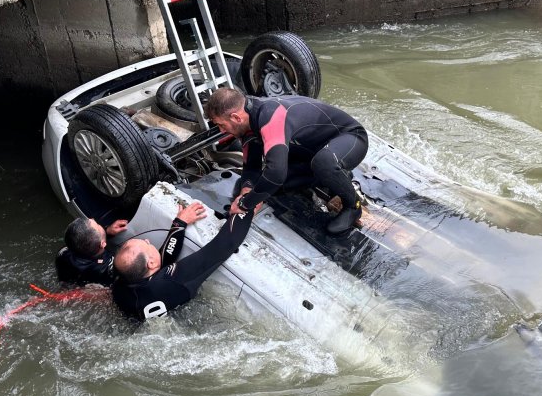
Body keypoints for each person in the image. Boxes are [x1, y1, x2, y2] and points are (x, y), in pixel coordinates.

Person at [204, 88, 368, 235]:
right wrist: (246, 191)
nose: (221, 131)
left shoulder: (269, 115)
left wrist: (246, 204)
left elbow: (276, 173)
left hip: (350, 138)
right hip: (310, 152)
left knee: (321, 163)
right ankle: (332, 175)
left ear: (235, 117)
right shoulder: (247, 124)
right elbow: (251, 169)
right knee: (271, 186)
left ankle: (353, 207)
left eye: (221, 125)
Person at [112, 201, 255, 322]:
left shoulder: (119, 287)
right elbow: (223, 246)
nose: (148, 240)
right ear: (150, 263)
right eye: (147, 244)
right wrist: (247, 208)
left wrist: (179, 224)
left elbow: (161, 260)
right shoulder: (172, 280)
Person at [55, 217, 131, 286]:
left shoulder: (62, 253)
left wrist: (106, 231)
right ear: (103, 244)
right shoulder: (108, 268)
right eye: (98, 226)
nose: (93, 218)